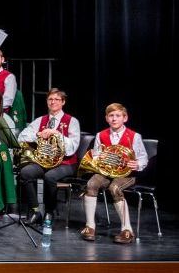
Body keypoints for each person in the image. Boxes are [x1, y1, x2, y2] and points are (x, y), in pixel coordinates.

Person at [80, 103, 149, 244]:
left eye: (118, 116)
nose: (114, 119)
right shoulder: (101, 135)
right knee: (91, 184)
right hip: (106, 172)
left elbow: (143, 157)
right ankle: (90, 226)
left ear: (125, 118)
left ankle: (127, 229)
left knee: (115, 188)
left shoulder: (134, 136)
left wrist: (137, 163)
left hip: (127, 174)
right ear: (106, 118)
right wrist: (100, 160)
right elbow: (97, 156)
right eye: (111, 116)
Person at [17, 88, 81, 223]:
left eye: (57, 99)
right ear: (47, 102)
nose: (53, 102)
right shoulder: (41, 120)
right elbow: (22, 136)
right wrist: (37, 135)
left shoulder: (72, 121)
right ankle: (35, 211)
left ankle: (49, 212)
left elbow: (72, 148)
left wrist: (55, 134)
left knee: (50, 176)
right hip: (44, 161)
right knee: (26, 172)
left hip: (66, 163)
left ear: (63, 102)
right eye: (50, 99)